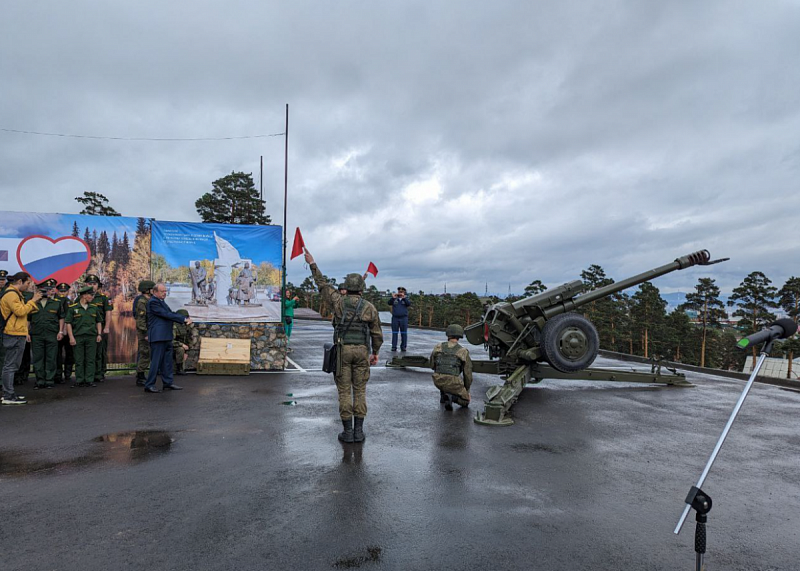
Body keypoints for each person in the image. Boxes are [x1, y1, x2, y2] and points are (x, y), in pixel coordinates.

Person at [304, 247, 382, 443]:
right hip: (362, 351)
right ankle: (359, 432)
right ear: (362, 289)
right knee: (360, 390)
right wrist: (376, 352)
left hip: (343, 351)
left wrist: (312, 263)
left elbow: (322, 284)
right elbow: (377, 333)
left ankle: (347, 432)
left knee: (344, 391)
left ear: (346, 287)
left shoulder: (338, 302)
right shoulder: (369, 307)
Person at [1, 272, 41, 404]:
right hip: (13, 333)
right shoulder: (12, 294)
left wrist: (32, 305)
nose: (29, 286)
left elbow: (22, 311)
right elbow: (20, 311)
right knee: (10, 366)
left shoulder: (16, 294)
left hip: (17, 332)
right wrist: (33, 301)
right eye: (27, 283)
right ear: (19, 281)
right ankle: (8, 396)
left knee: (11, 365)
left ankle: (9, 393)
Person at [145, 283, 191, 393]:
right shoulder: (153, 302)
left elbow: (170, 313)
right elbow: (166, 314)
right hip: (158, 337)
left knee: (167, 362)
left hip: (166, 336)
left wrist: (183, 318)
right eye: (162, 291)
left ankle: (168, 383)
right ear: (154, 292)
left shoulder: (162, 302)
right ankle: (149, 384)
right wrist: (183, 319)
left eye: (165, 291)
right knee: (156, 362)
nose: (165, 293)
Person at [30, 279, 65, 390]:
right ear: (40, 290)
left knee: (51, 358)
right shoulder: (33, 303)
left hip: (52, 334)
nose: (48, 292)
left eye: (51, 289)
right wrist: (26, 333)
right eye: (46, 289)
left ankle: (49, 380)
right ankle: (40, 380)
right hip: (37, 334)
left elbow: (61, 318)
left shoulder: (56, 303)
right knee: (38, 358)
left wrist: (60, 331)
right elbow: (27, 319)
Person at [429, 324, 473, 411]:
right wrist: (466, 391)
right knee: (465, 401)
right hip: (453, 381)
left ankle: (443, 396)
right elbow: (467, 374)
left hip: (437, 380)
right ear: (459, 336)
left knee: (442, 374)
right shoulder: (463, 351)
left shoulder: (438, 347)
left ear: (448, 334)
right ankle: (452, 398)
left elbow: (432, 365)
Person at [65, 286, 102, 387]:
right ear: (84, 295)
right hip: (78, 337)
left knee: (90, 359)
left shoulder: (94, 308)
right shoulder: (73, 308)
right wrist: (71, 337)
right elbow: (68, 323)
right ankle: (79, 380)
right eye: (90, 295)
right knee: (79, 359)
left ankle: (89, 380)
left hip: (91, 337)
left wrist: (99, 334)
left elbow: (99, 321)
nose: (92, 297)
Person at [86, 275, 113, 383]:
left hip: (100, 328)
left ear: (98, 285)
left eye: (94, 284)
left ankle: (100, 373)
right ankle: (89, 373)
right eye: (90, 284)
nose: (92, 286)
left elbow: (108, 313)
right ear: (86, 285)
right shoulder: (81, 297)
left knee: (100, 351)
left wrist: (106, 327)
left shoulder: (103, 298)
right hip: (86, 328)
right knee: (88, 352)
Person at [133, 280, 155, 386]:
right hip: (144, 332)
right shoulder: (142, 301)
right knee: (145, 353)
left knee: (147, 353)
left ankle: (142, 375)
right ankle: (140, 376)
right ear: (147, 290)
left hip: (149, 331)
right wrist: (146, 333)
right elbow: (140, 320)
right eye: (152, 289)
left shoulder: (149, 300)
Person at [54, 282, 75, 384]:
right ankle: (58, 375)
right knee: (57, 354)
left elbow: (71, 317)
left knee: (69, 354)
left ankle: (68, 374)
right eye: (61, 291)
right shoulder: (53, 301)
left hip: (68, 331)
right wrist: (60, 330)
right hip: (57, 331)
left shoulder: (70, 302)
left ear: (68, 291)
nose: (63, 293)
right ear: (57, 291)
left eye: (65, 291)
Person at [388, 286, 411, 352]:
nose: (400, 293)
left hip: (403, 318)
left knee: (404, 333)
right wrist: (393, 298)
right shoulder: (395, 299)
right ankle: (394, 346)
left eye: (401, 292)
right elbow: (389, 303)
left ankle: (403, 346)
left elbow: (408, 304)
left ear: (404, 292)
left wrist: (404, 298)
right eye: (399, 292)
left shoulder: (406, 299)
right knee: (394, 333)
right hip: (395, 318)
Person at [172, 309, 192, 375]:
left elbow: (187, 338)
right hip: (172, 346)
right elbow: (171, 340)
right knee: (180, 349)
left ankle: (180, 367)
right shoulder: (174, 326)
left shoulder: (184, 325)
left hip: (178, 346)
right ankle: (179, 368)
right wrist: (181, 345)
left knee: (182, 348)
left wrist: (186, 351)